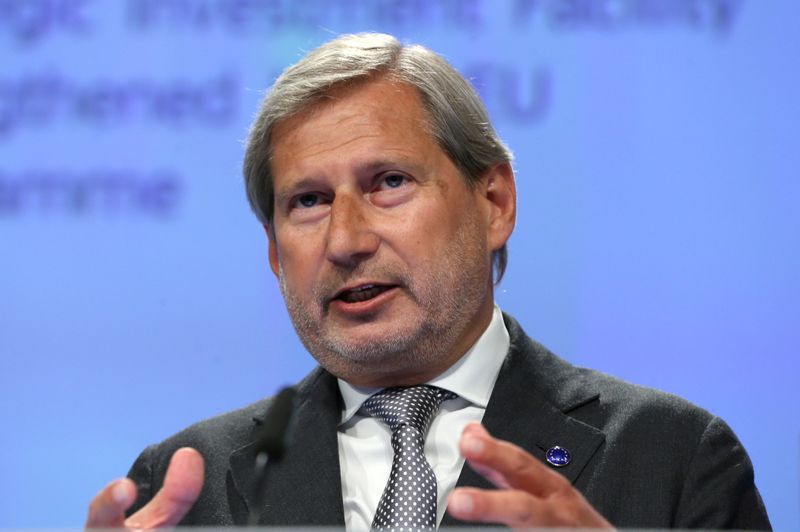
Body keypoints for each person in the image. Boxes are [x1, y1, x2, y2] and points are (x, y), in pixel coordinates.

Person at [85, 33, 770, 529]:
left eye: (389, 183)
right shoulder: (185, 482)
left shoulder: (673, 459)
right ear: (272, 250)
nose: (346, 241)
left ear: (494, 202)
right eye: (308, 201)